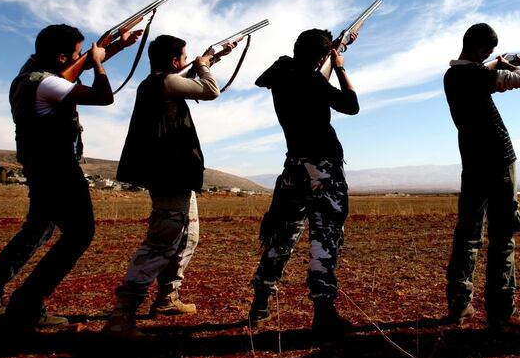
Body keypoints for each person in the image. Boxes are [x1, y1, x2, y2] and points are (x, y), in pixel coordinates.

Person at [0, 23, 140, 330]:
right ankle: (26, 305)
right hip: (58, 168)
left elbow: (70, 71)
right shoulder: (47, 84)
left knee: (35, 232)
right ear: (62, 57)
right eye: (77, 54)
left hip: (41, 166)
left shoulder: (29, 74)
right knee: (80, 234)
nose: (82, 58)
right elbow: (104, 97)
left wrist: (116, 46)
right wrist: (99, 63)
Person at [103, 35, 233, 337]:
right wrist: (203, 66)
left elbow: (185, 81)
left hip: (178, 175)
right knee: (162, 241)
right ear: (176, 61)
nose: (187, 60)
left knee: (189, 236)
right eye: (184, 57)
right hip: (169, 174)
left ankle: (167, 297)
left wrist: (212, 59)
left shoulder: (160, 82)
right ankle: (123, 314)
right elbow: (210, 90)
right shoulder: (163, 83)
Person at [248, 28, 359, 341]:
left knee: (282, 236)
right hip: (322, 169)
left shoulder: (284, 75)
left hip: (293, 167)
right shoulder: (310, 80)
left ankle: (260, 302)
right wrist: (340, 64)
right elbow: (351, 105)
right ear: (322, 56)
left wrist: (330, 54)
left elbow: (308, 81)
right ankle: (323, 313)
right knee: (325, 238)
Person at [443, 23, 520, 331]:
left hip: (472, 161)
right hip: (499, 158)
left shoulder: (452, 75)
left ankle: (459, 305)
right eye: (490, 52)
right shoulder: (478, 74)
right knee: (503, 235)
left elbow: (478, 73)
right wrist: (508, 64)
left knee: (467, 234)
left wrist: (494, 63)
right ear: (483, 50)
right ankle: (502, 309)